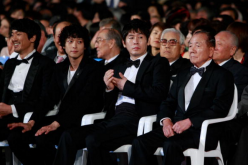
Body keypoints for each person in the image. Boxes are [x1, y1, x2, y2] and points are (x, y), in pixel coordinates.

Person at [53, 19, 171, 165]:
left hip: (137, 120)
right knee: (68, 136)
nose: (135, 42)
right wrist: (109, 89)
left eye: (140, 37)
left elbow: (159, 93)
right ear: (123, 43)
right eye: (131, 37)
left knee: (94, 140)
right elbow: (107, 104)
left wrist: (126, 86)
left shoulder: (158, 63)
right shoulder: (120, 66)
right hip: (114, 119)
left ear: (147, 42)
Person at [129, 31, 234, 165]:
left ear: (211, 51)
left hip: (201, 130)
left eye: (198, 45)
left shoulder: (223, 75)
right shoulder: (183, 73)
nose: (192, 50)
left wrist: (190, 121)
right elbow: (168, 102)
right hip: (176, 127)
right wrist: (166, 121)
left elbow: (220, 108)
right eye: (190, 46)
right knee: (139, 142)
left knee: (170, 144)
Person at [7, 24, 105, 165]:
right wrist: (31, 122)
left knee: (43, 138)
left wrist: (54, 124)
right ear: (63, 45)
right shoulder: (59, 68)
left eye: (79, 41)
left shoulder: (95, 68)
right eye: (70, 41)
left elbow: (84, 102)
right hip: (60, 119)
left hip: (81, 120)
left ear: (85, 45)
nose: (74, 46)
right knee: (15, 137)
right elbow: (47, 98)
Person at [0, 18, 55, 141]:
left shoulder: (45, 64)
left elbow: (45, 99)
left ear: (32, 38)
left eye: (18, 34)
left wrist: (12, 109)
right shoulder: (9, 64)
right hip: (5, 116)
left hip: (29, 116)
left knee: (15, 139)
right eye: (12, 34)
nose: (13, 39)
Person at [213, 31, 248, 101]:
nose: (214, 47)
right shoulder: (205, 66)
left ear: (232, 50)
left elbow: (234, 100)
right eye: (213, 43)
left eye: (219, 44)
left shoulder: (240, 72)